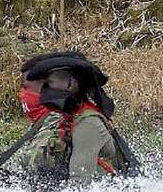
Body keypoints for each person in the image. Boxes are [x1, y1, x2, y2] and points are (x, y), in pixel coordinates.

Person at [13, 52, 138, 186]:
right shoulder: (62, 119)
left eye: (49, 83)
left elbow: (79, 186)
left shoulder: (88, 124)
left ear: (70, 84)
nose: (44, 90)